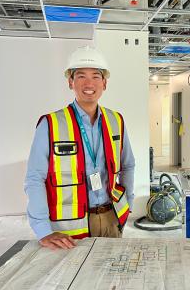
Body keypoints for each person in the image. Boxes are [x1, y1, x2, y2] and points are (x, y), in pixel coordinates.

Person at [24, 46, 135, 250]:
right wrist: (43, 230)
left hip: (112, 217)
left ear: (105, 83)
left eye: (96, 76)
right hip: (69, 227)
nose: (89, 83)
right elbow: (34, 178)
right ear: (70, 82)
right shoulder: (50, 124)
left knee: (111, 277)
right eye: (81, 76)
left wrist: (128, 204)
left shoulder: (116, 120)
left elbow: (128, 165)